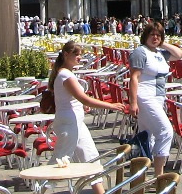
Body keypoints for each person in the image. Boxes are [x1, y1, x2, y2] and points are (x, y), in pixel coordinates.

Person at [50, 41, 127, 190]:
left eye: (80, 54)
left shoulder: (65, 73)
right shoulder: (65, 75)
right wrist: (111, 106)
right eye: (76, 54)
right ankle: (40, 189)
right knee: (58, 161)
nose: (79, 57)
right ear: (66, 55)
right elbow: (84, 98)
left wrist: (81, 105)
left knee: (91, 158)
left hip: (75, 122)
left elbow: (74, 99)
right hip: (69, 124)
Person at [129, 23, 182, 176]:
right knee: (166, 131)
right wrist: (133, 102)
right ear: (145, 35)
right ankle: (159, 174)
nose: (155, 38)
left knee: (149, 135)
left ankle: (142, 172)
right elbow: (134, 78)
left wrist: (163, 43)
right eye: (152, 34)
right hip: (145, 95)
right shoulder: (140, 52)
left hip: (159, 97)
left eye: (158, 35)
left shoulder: (160, 53)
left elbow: (180, 54)